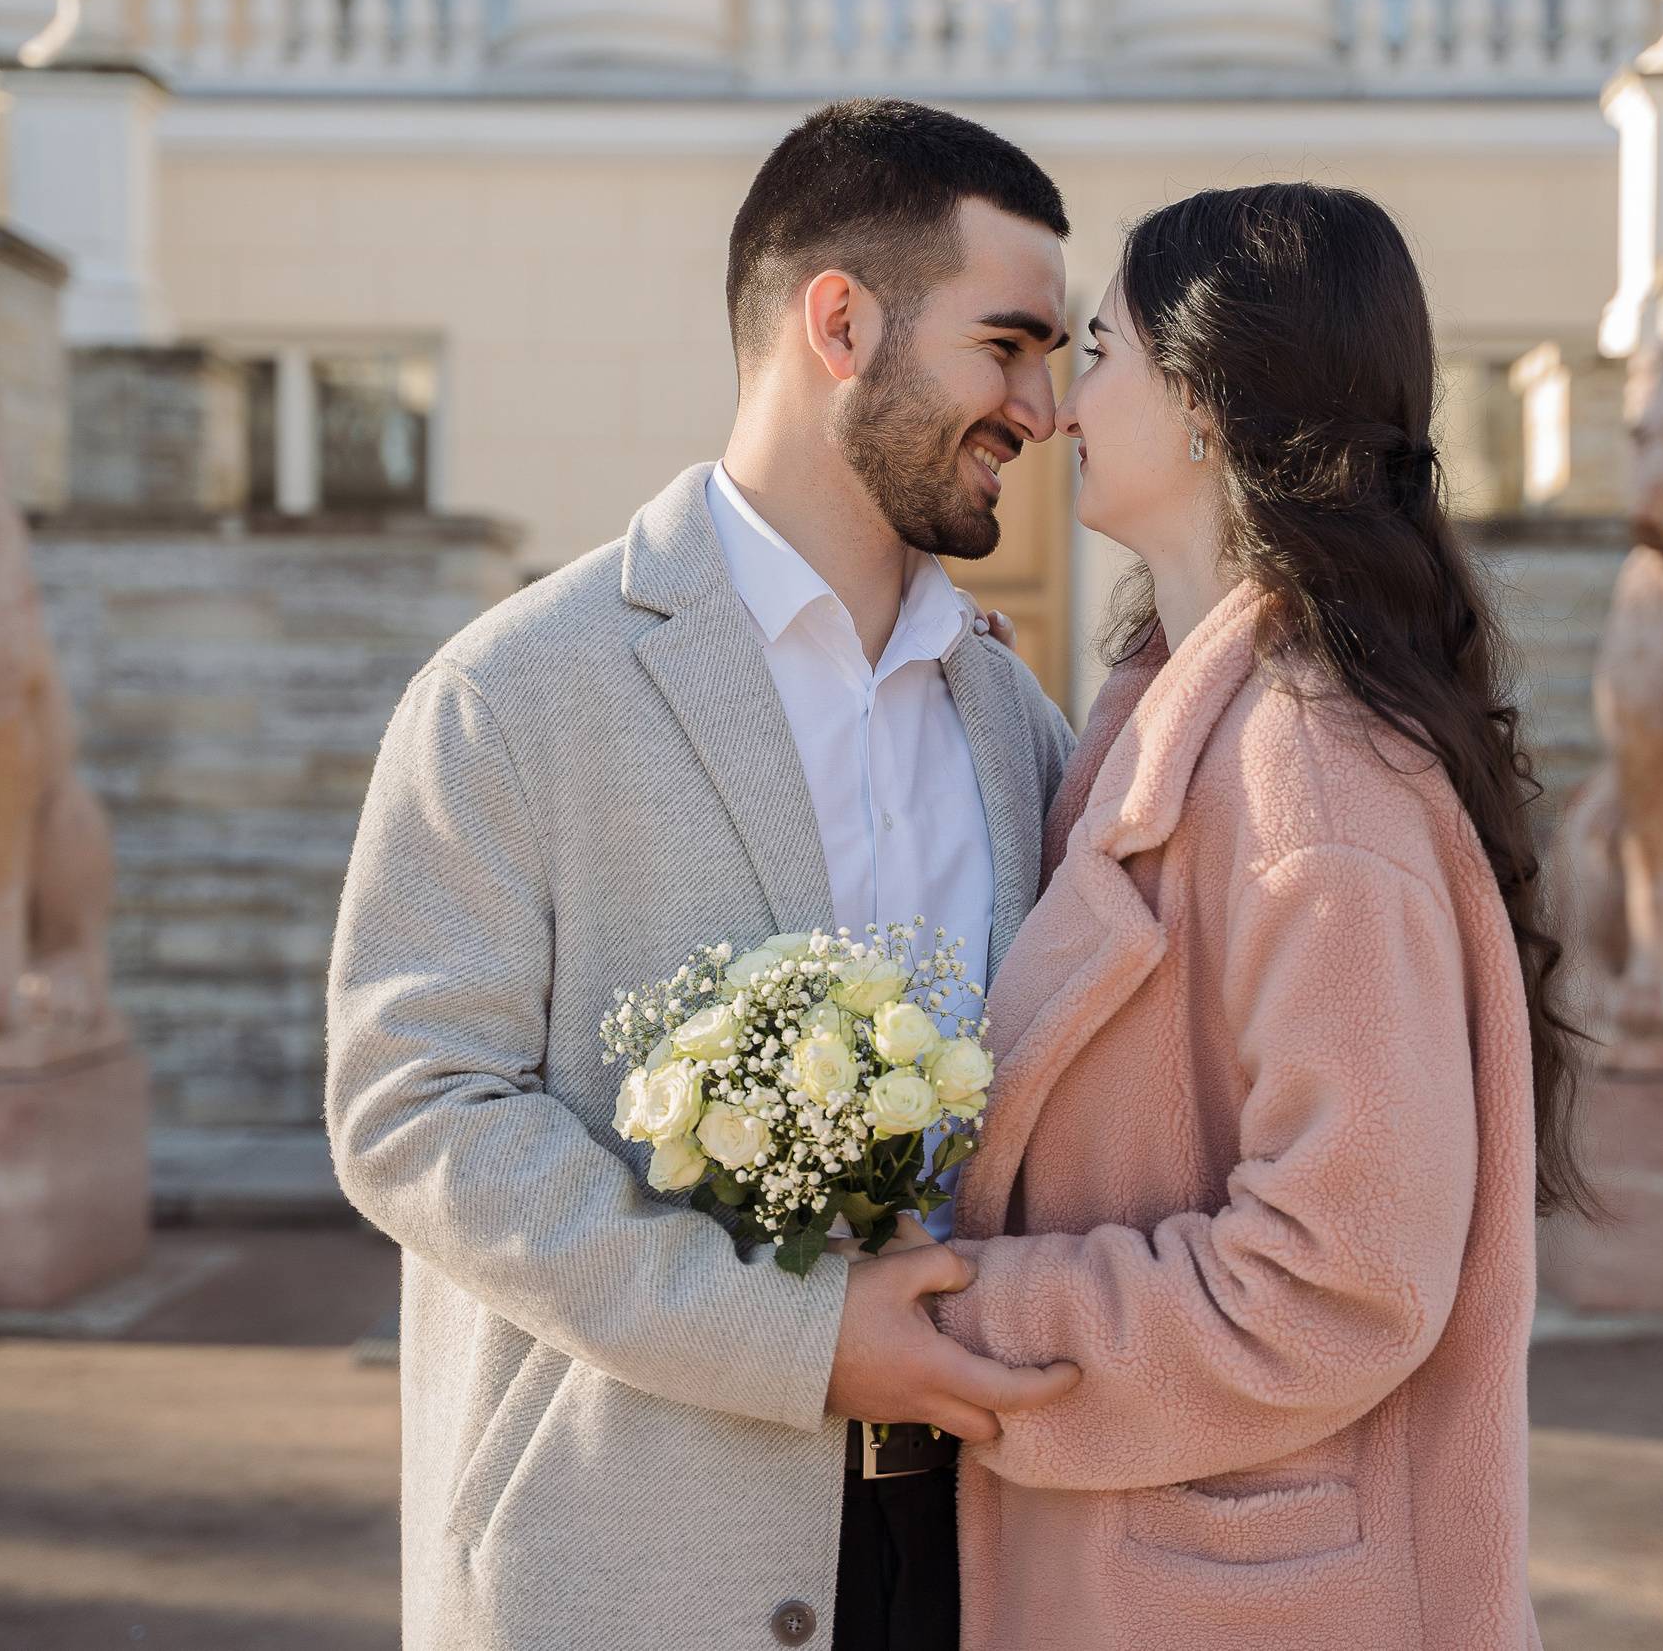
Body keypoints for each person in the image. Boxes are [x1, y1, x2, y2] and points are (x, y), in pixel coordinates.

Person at [324, 98, 1081, 1651]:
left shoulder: (1020, 725)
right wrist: (787, 1336)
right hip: (625, 1566)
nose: (1045, 406)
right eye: (1008, 345)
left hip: (984, 1559)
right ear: (841, 322)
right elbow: (410, 1105)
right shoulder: (517, 692)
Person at [930, 183, 1590, 1649]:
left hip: (1255, 1596)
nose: (1055, 407)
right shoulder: (1175, 730)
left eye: (1096, 350)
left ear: (1211, 408)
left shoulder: (1311, 772)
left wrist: (953, 1316)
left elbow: (1341, 1279)